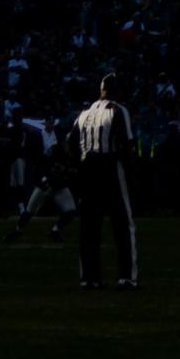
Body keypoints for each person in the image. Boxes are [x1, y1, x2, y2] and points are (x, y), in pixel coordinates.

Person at [72, 74, 137, 291]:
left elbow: (70, 143)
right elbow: (126, 144)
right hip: (109, 165)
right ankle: (127, 276)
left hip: (87, 166)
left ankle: (89, 277)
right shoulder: (118, 110)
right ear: (117, 90)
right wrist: (131, 171)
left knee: (89, 226)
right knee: (123, 224)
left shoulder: (84, 113)